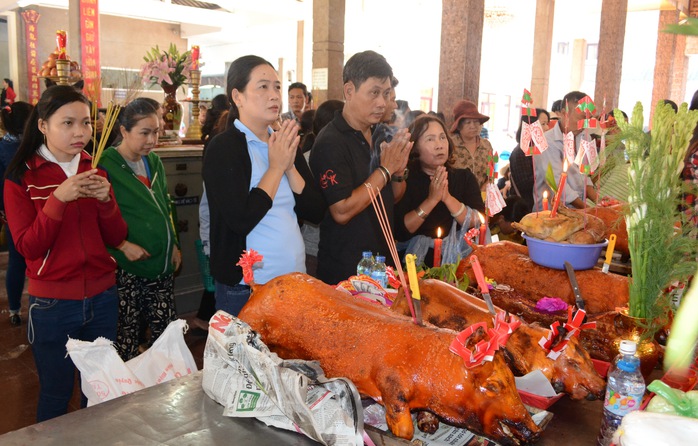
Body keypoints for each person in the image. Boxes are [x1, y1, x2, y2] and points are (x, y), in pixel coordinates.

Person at [3, 85, 127, 422]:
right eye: (68, 123)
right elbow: (28, 247)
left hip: (102, 297)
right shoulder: (21, 176)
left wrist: (106, 201)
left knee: (99, 392)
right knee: (57, 397)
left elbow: (117, 236)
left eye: (86, 123)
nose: (80, 133)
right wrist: (59, 198)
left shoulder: (96, 168)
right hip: (53, 305)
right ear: (43, 125)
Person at [203, 55, 325, 315]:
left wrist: (289, 165)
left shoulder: (283, 142)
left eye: (277, 86)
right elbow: (241, 219)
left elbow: (315, 211)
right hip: (247, 287)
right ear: (238, 96)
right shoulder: (224, 148)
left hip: (294, 279)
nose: (274, 95)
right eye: (263, 86)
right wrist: (276, 167)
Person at [310, 50, 411, 284]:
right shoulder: (331, 141)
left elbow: (393, 197)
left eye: (386, 94)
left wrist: (397, 173)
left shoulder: (380, 134)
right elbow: (341, 211)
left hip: (381, 266)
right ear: (349, 91)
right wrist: (384, 171)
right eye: (374, 93)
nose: (382, 103)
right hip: (346, 270)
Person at [98, 98, 181, 360]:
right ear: (124, 131)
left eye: (155, 132)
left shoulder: (153, 162)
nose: (151, 140)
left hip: (161, 265)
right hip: (127, 268)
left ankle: (164, 391)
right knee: (126, 338)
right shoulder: (105, 164)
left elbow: (167, 206)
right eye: (144, 133)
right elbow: (97, 217)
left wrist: (174, 243)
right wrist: (121, 246)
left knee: (167, 336)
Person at [394, 115, 484, 266]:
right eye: (430, 139)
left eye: (442, 138)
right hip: (414, 262)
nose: (439, 145)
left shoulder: (464, 178)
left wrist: (447, 198)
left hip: (458, 259)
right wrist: (432, 200)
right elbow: (402, 230)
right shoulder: (405, 181)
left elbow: (478, 221)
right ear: (414, 147)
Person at [533, 91, 598, 211]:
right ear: (564, 113)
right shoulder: (546, 142)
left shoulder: (585, 137)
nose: (585, 125)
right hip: (550, 212)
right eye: (582, 118)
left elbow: (584, 175)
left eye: (588, 119)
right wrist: (588, 209)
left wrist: (598, 202)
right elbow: (558, 183)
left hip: (578, 210)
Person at [0, 101, 33, 325]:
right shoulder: (33, 147)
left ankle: (14, 310)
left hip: (11, 211)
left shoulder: (2, 146)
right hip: (37, 207)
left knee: (17, 260)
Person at [508, 108, 548, 212]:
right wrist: (547, 173)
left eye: (547, 123)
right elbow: (525, 184)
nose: (547, 128)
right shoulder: (521, 152)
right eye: (543, 124)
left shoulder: (542, 149)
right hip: (527, 208)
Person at [448, 100, 494, 190]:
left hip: (481, 198)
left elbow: (491, 174)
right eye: (468, 122)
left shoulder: (486, 146)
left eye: (476, 122)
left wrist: (484, 189)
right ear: (458, 125)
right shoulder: (450, 144)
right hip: (455, 199)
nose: (473, 126)